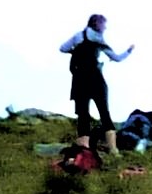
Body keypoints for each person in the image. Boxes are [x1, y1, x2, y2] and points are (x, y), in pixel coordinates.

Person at [57, 15, 133, 153]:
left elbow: (62, 48)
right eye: (104, 24)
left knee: (83, 115)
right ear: (97, 24)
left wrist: (73, 51)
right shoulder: (99, 39)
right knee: (104, 113)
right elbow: (116, 58)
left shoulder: (78, 35)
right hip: (96, 80)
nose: (105, 28)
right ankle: (113, 150)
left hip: (79, 80)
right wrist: (129, 51)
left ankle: (83, 150)